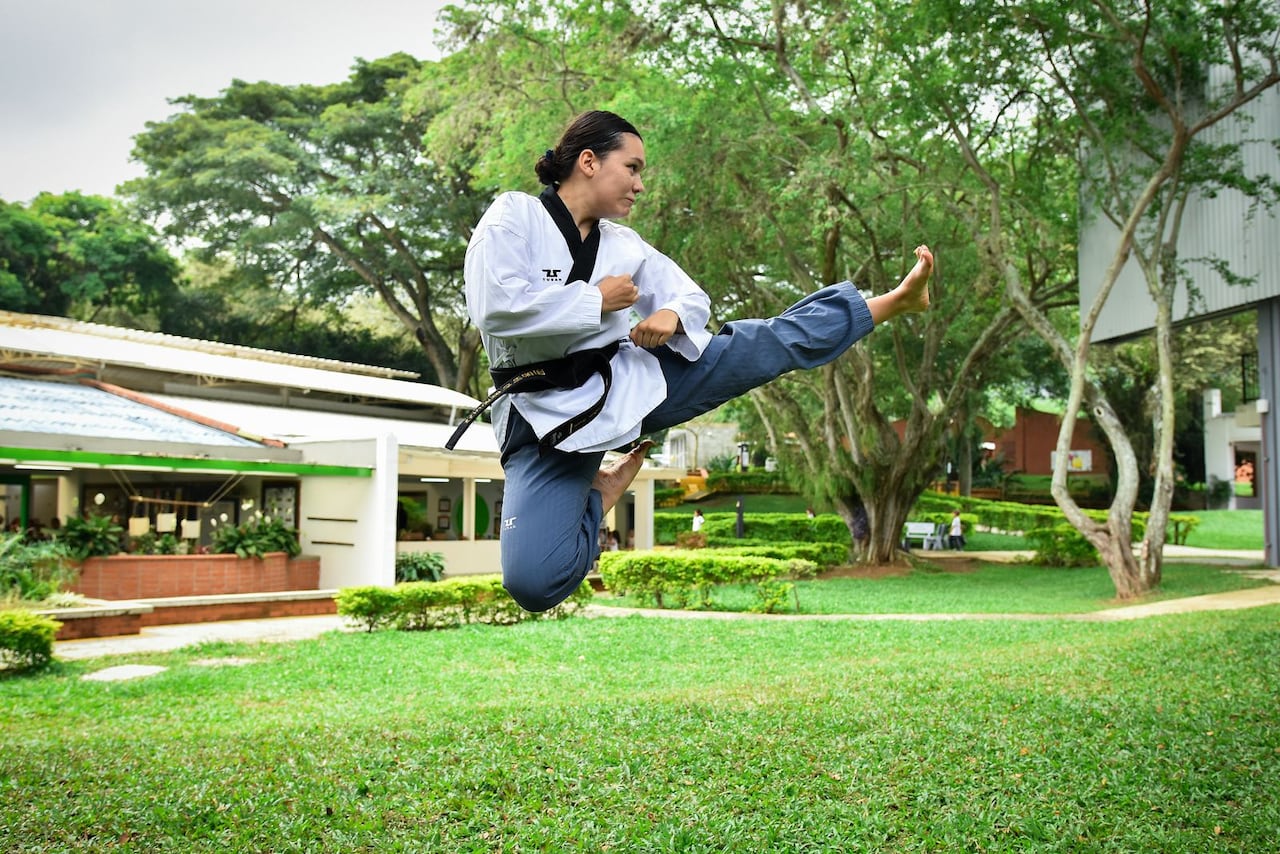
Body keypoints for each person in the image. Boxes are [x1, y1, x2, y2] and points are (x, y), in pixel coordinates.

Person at [458, 109, 932, 612]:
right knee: (533, 583)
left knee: (765, 345)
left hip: (624, 384)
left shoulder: (624, 245)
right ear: (589, 161)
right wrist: (596, 300)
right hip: (540, 417)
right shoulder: (514, 216)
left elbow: (691, 296)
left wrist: (670, 313)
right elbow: (494, 307)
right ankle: (599, 493)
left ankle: (891, 302)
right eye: (632, 168)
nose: (640, 185)